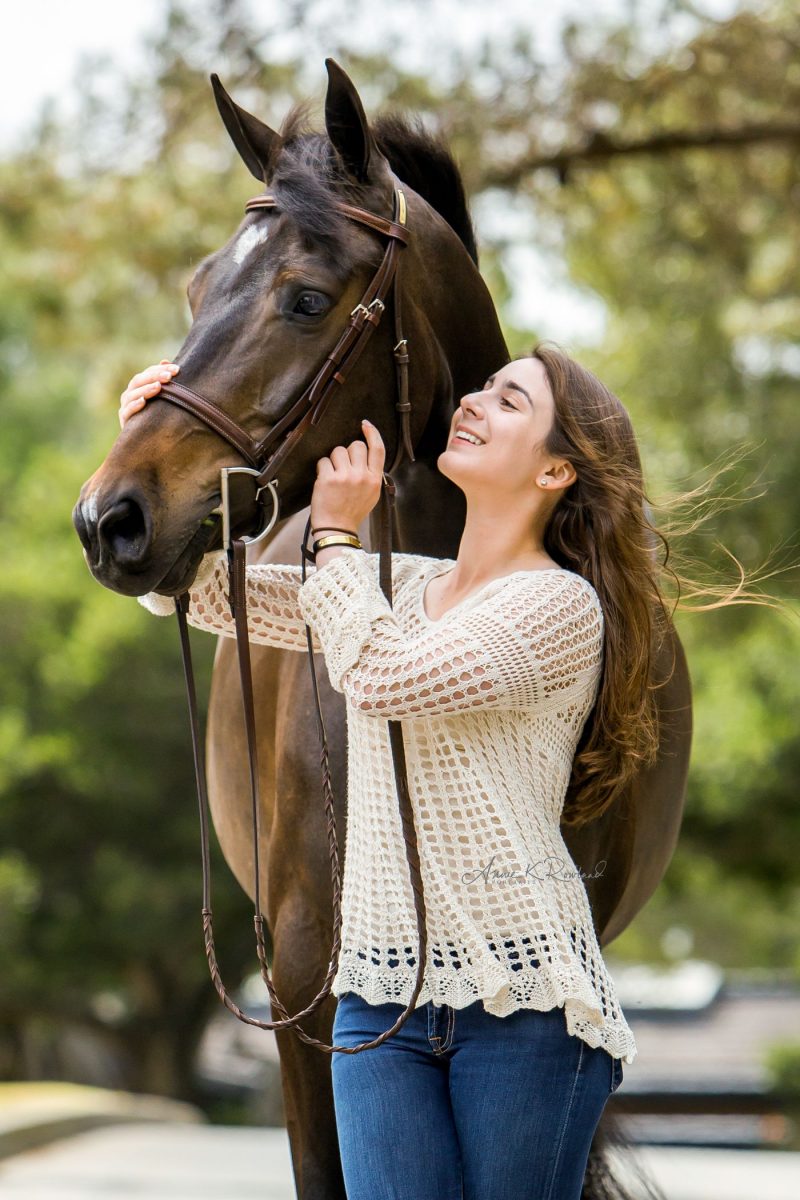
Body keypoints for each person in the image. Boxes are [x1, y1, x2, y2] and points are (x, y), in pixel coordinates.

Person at [120, 346, 692, 1198]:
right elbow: (200, 593)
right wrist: (147, 443)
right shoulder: (401, 589)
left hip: (525, 1007)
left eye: (509, 401)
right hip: (376, 1001)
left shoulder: (561, 607)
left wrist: (338, 536)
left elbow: (387, 676)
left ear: (556, 470)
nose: (472, 402)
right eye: (482, 388)